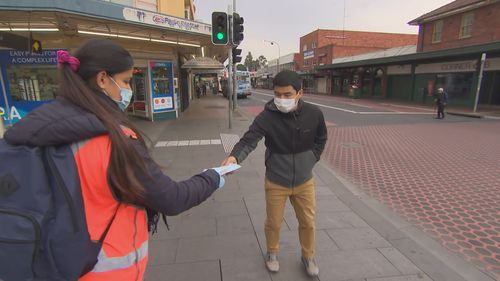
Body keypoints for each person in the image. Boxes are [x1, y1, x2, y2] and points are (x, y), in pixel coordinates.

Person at [3, 39, 225, 281]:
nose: (129, 89)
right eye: (126, 81)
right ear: (102, 79)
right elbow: (171, 198)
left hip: (52, 263)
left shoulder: (35, 127)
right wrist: (212, 177)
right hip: (104, 271)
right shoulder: (113, 140)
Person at [221, 70, 327, 277]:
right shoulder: (267, 117)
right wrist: (235, 157)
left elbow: (321, 138)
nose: (281, 99)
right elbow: (248, 140)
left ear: (299, 93)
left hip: (305, 181)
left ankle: (308, 256)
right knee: (273, 222)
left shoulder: (314, 114)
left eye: (287, 95)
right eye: (277, 94)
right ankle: (272, 252)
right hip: (276, 181)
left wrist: (312, 158)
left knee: (308, 222)